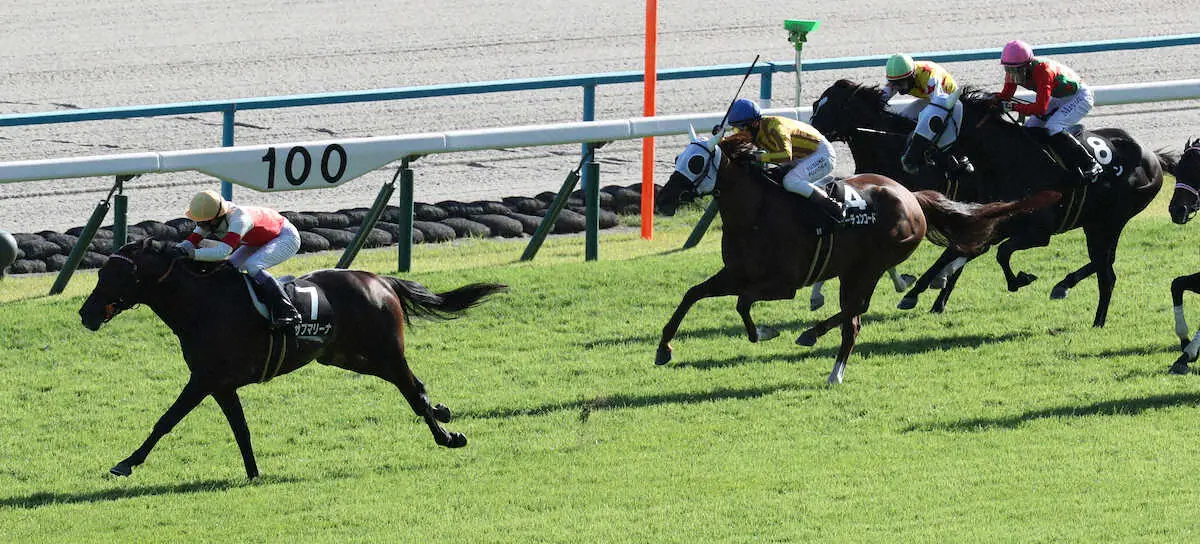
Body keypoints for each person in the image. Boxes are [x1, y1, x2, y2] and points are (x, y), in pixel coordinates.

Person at [175, 190, 302, 330]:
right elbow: (189, 242)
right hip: (259, 240)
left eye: (203, 223)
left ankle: (286, 309)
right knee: (229, 268)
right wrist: (171, 250)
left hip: (285, 237)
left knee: (253, 266)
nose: (200, 227)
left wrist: (192, 254)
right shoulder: (213, 217)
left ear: (214, 219)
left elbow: (223, 252)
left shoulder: (239, 220)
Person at [994, 39, 1104, 184]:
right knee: (1029, 127)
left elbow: (1040, 108)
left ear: (1028, 64)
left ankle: (1090, 163)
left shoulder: (1043, 71)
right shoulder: (1015, 70)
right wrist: (989, 101)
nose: (1013, 75)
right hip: (1059, 97)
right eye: (1009, 70)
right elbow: (1006, 95)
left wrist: (1010, 107)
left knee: (1053, 126)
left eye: (1017, 70)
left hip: (1080, 97)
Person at [725, 98, 843, 223]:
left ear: (754, 124)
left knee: (790, 181)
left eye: (740, 129)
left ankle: (832, 206)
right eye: (735, 129)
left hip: (821, 154)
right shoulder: (754, 130)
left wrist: (756, 157)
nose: (739, 133)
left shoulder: (776, 128)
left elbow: (786, 155)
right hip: (800, 155)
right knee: (773, 178)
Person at [882, 53, 973, 178]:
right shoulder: (899, 77)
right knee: (901, 119)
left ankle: (958, 157)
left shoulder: (930, 78)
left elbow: (936, 113)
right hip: (930, 99)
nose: (898, 88)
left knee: (928, 130)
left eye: (901, 84)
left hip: (947, 103)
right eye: (894, 84)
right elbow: (880, 99)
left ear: (912, 76)